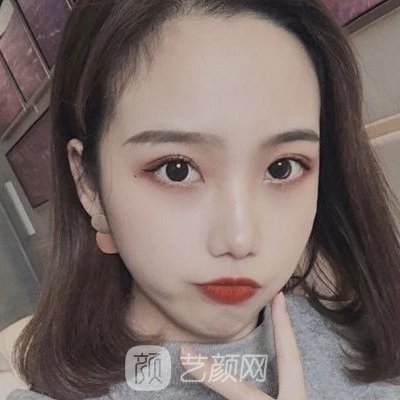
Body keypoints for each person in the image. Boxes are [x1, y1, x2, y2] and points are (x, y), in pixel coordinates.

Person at [7, 0, 400, 399]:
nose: (240, 240)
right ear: (90, 184)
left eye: (283, 168)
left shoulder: (367, 345)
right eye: (177, 170)